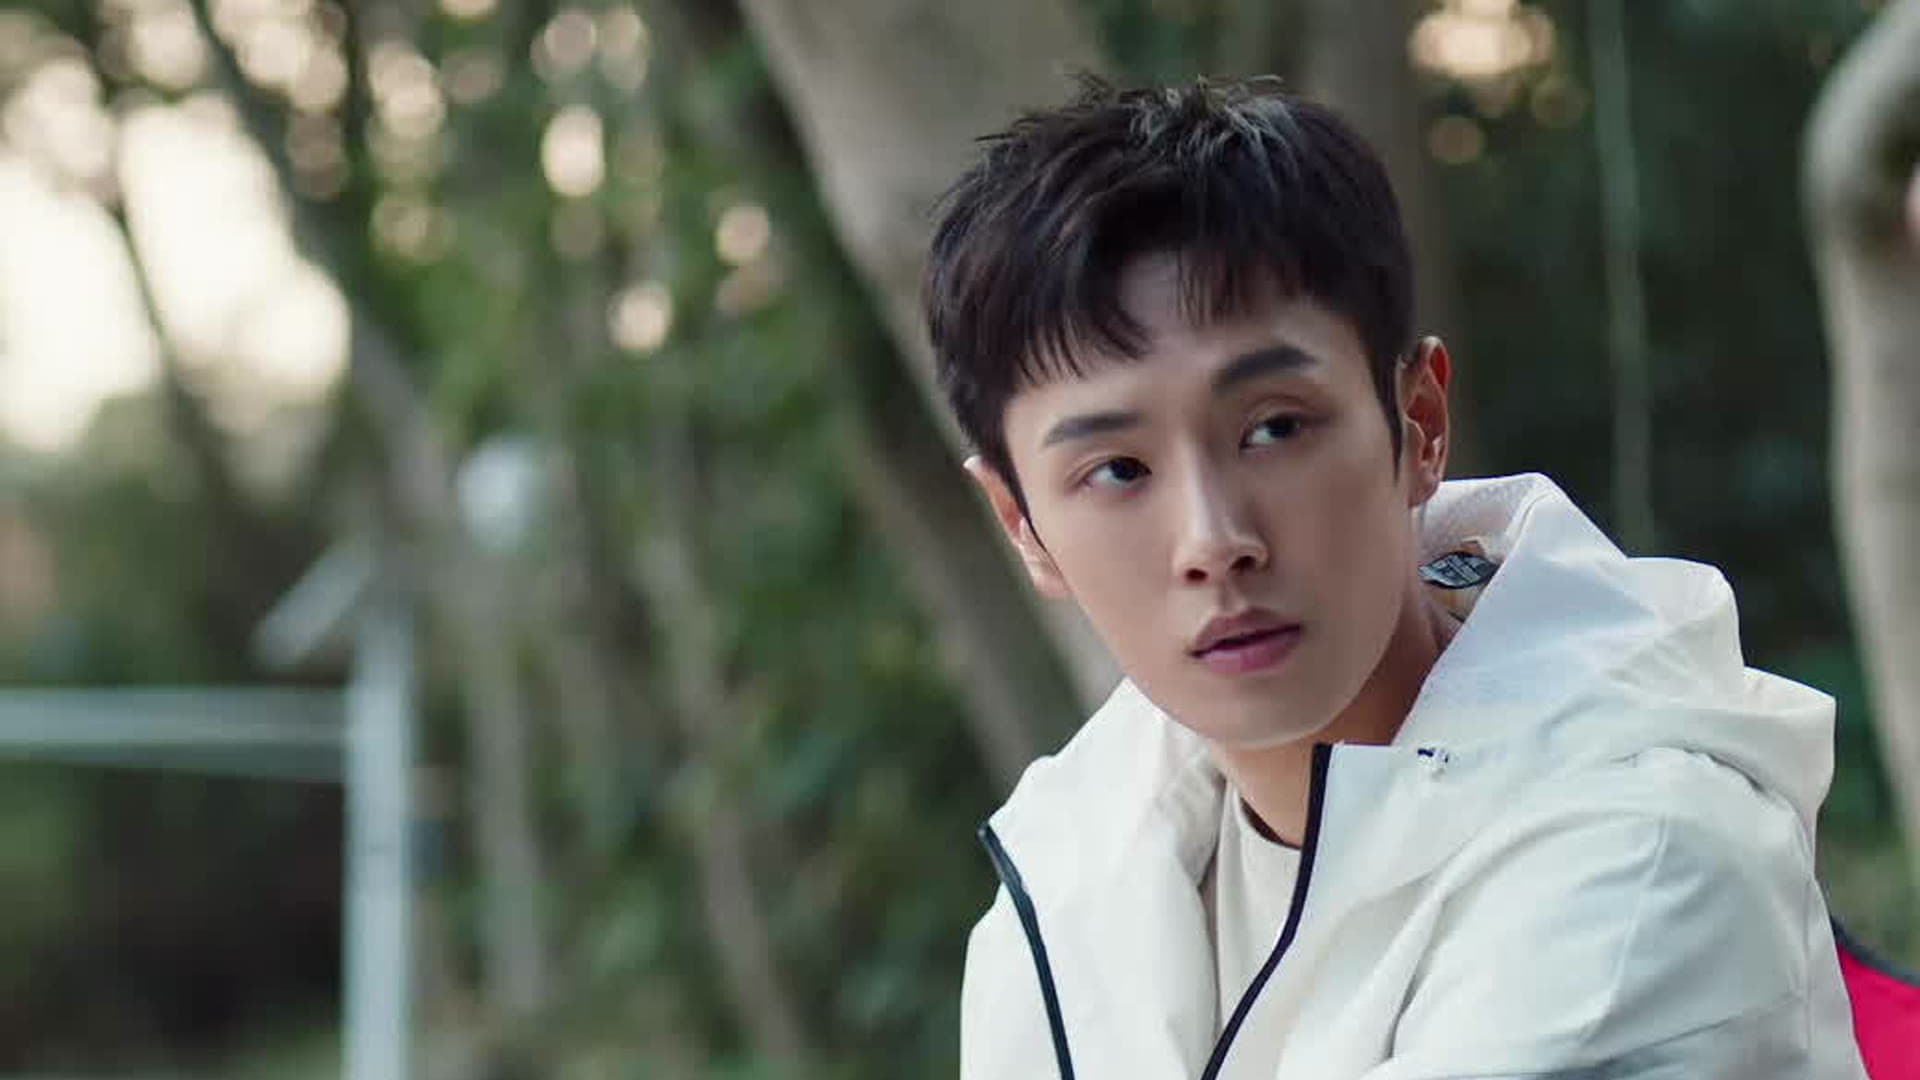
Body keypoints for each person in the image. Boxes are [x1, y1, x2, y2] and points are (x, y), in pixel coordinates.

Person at [924, 77, 1867, 1079]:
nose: (1213, 539)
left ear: (1419, 424)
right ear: (1022, 524)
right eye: (1118, 471)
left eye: (1274, 429)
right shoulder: (1068, 884)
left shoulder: (1642, 862)